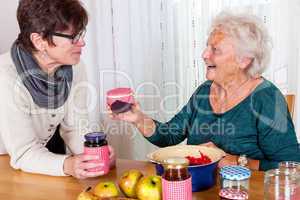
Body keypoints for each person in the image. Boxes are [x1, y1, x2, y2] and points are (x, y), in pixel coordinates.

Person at [109, 11, 300, 171]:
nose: (204, 55)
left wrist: (236, 161)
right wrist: (138, 118)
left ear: (244, 60)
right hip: (201, 189)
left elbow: (292, 166)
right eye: (207, 46)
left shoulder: (266, 98)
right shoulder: (205, 91)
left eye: (215, 49)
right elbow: (170, 135)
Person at [0, 0, 115, 179]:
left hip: (35, 164)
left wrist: (94, 152)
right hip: (6, 165)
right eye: (73, 37)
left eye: (81, 33)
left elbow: (75, 127)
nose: (82, 43)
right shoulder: (5, 76)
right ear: (39, 41)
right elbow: (23, 153)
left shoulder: (74, 67)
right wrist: (67, 165)